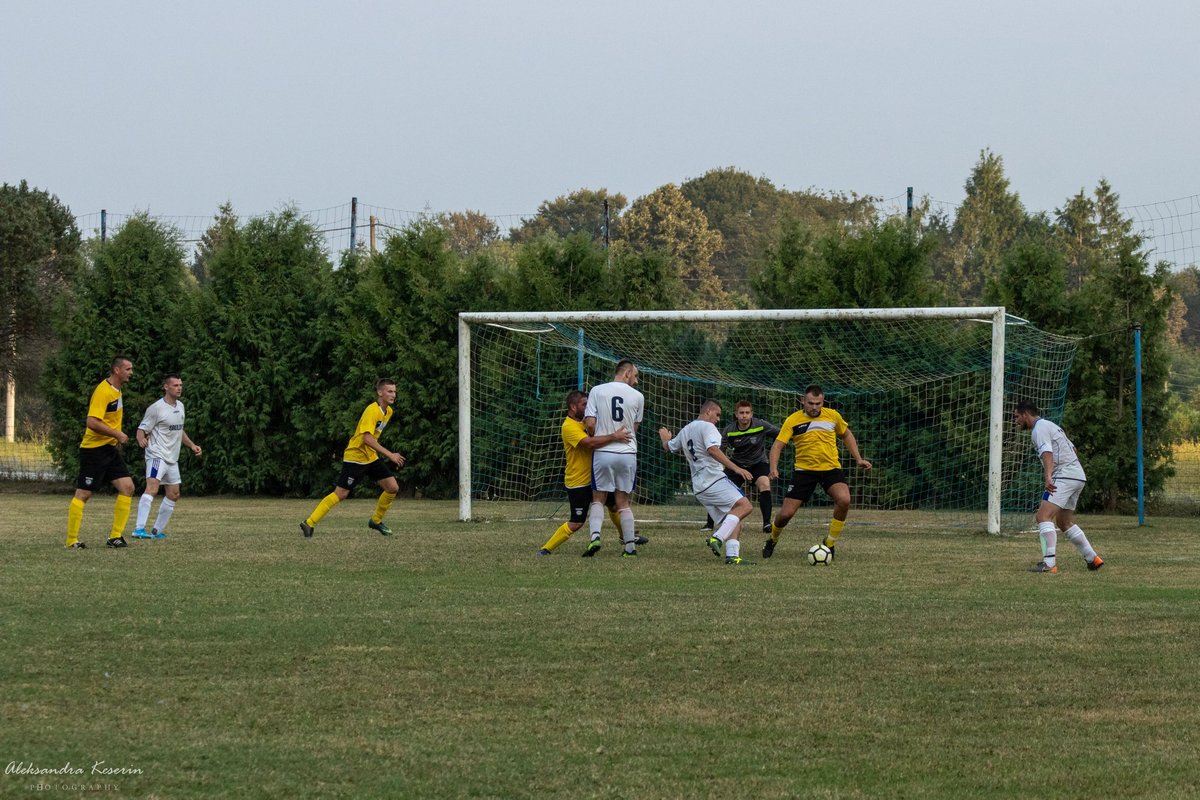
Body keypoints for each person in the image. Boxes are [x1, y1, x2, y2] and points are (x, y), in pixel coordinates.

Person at [764, 384, 872, 560]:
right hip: (804, 471)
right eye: (811, 403)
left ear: (823, 402)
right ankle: (772, 539)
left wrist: (858, 458)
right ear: (803, 401)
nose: (814, 407)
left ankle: (830, 542)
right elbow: (777, 445)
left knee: (844, 500)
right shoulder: (793, 420)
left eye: (818, 403)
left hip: (831, 469)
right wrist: (773, 468)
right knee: (785, 515)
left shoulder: (833, 416)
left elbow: (846, 435)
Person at [300, 379, 406, 538]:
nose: (393, 395)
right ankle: (309, 523)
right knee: (341, 494)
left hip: (370, 456)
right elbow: (367, 439)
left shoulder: (388, 412)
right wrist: (390, 454)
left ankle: (376, 521)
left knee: (392, 487)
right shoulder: (372, 410)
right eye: (390, 391)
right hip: (355, 457)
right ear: (380, 393)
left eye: (394, 392)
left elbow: (373, 438)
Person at [537, 389, 636, 555]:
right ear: (573, 407)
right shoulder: (568, 426)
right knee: (577, 523)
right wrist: (614, 436)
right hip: (578, 482)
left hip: (595, 477)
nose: (588, 407)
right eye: (584, 404)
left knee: (615, 506)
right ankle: (546, 548)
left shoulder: (586, 422)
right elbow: (589, 443)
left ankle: (625, 537)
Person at [659, 400, 755, 565]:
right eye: (717, 415)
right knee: (745, 506)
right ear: (708, 411)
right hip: (713, 479)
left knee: (732, 518)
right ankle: (717, 538)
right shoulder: (707, 427)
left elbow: (669, 447)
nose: (718, 419)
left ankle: (732, 556)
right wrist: (736, 468)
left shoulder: (686, 430)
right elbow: (712, 450)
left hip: (699, 487)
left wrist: (665, 439)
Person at [1013, 400, 1104, 573]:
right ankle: (1093, 558)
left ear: (1026, 414)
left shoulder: (1038, 429)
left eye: (1017, 416)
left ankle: (1049, 563)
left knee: (1042, 516)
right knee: (1064, 522)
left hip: (1063, 476)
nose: (1015, 421)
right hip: (1077, 476)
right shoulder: (1052, 426)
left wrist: (1048, 477)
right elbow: (1074, 449)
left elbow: (1047, 453)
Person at [65, 356, 136, 549]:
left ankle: (115, 537)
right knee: (84, 493)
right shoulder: (103, 391)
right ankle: (71, 540)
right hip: (93, 450)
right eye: (128, 369)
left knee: (127, 488)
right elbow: (92, 422)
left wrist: (114, 439)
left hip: (108, 448)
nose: (131, 373)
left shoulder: (117, 390)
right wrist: (118, 435)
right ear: (116, 370)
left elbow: (109, 419)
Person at [582, 359, 644, 557]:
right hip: (627, 453)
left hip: (604, 453)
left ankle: (595, 537)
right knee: (623, 502)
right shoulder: (638, 396)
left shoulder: (597, 390)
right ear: (626, 373)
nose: (635, 381)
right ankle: (629, 548)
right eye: (634, 376)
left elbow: (590, 423)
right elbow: (634, 429)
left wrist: (600, 434)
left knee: (598, 499)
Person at [132, 373, 202, 540]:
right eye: (175, 385)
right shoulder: (156, 408)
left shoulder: (181, 406)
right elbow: (141, 429)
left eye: (180, 385)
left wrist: (192, 445)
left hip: (172, 458)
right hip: (156, 455)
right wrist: (141, 439)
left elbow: (179, 430)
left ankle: (157, 531)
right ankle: (138, 529)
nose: (179, 388)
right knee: (152, 488)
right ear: (166, 387)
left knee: (174, 494)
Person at [702, 400, 780, 533]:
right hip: (737, 465)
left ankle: (767, 524)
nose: (744, 416)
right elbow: (720, 451)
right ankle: (709, 524)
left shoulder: (761, 425)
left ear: (751, 414)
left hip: (758, 464)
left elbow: (780, 435)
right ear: (736, 414)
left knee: (765, 483)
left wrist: (774, 451)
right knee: (719, 487)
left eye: (747, 413)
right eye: (741, 413)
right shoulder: (729, 430)